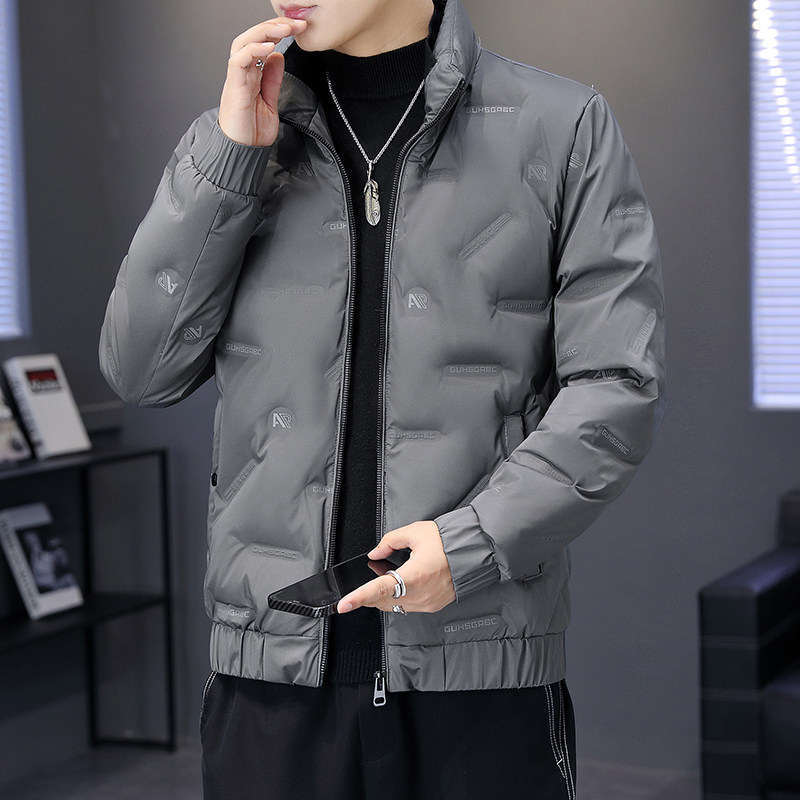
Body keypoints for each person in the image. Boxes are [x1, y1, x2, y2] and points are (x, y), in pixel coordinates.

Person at [99, 0, 665, 797]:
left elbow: (615, 386)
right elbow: (140, 371)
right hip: (271, 682)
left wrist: (470, 546)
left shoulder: (562, 126)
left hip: (479, 673)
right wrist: (229, 164)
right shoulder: (238, 137)